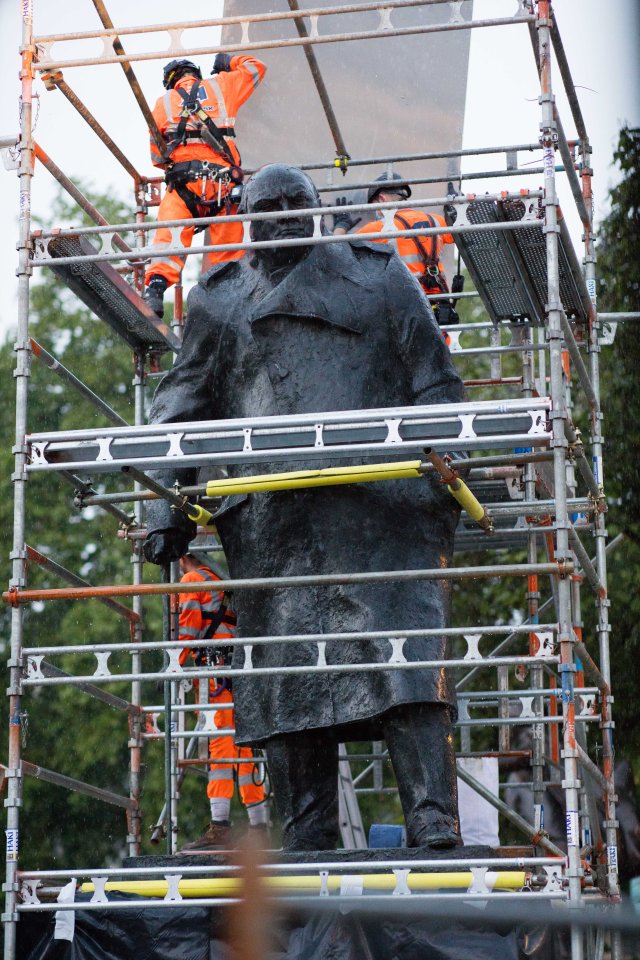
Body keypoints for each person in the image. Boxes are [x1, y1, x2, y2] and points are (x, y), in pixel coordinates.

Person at [144, 163, 465, 852]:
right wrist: (165, 506)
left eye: (299, 202)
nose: (285, 214)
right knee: (292, 686)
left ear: (320, 209)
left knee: (406, 662)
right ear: (248, 219)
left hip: (382, 515)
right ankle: (308, 835)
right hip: (276, 528)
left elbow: (436, 384)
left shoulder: (379, 277)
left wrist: (444, 475)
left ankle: (433, 821)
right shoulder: (219, 303)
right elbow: (179, 408)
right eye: (270, 205)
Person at [144, 54, 266, 318]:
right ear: (195, 74)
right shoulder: (221, 85)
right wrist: (228, 63)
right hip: (223, 187)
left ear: (170, 82)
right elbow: (256, 68)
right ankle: (231, 298)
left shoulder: (161, 103)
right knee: (229, 254)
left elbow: (157, 157)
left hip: (185, 185)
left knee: (170, 232)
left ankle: (155, 287)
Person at [177, 553, 268, 850]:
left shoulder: (191, 581)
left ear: (183, 556)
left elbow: (187, 632)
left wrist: (175, 666)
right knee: (245, 748)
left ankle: (220, 827)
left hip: (215, 677)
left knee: (219, 749)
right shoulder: (223, 580)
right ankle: (259, 827)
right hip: (238, 674)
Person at [333, 171, 461, 324]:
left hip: (406, 307)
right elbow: (463, 234)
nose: (376, 212)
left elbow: (336, 252)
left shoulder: (378, 228)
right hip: (440, 309)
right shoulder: (435, 221)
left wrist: (341, 227)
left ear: (382, 199)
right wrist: (458, 210)